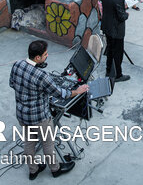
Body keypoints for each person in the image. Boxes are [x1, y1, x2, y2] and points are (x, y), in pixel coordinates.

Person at [9, 40, 87, 180]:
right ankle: (55, 169)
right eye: (45, 54)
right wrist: (78, 90)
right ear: (37, 57)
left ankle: (33, 171)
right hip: (40, 118)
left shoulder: (17, 64)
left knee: (29, 142)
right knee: (48, 144)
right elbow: (62, 94)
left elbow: (12, 83)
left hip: (23, 116)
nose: (47, 56)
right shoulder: (42, 76)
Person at [99, 0, 131, 82]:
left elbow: (110, 6)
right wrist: (126, 13)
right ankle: (118, 75)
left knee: (110, 50)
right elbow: (121, 17)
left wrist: (122, 5)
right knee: (118, 53)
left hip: (107, 26)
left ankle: (109, 71)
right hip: (116, 30)